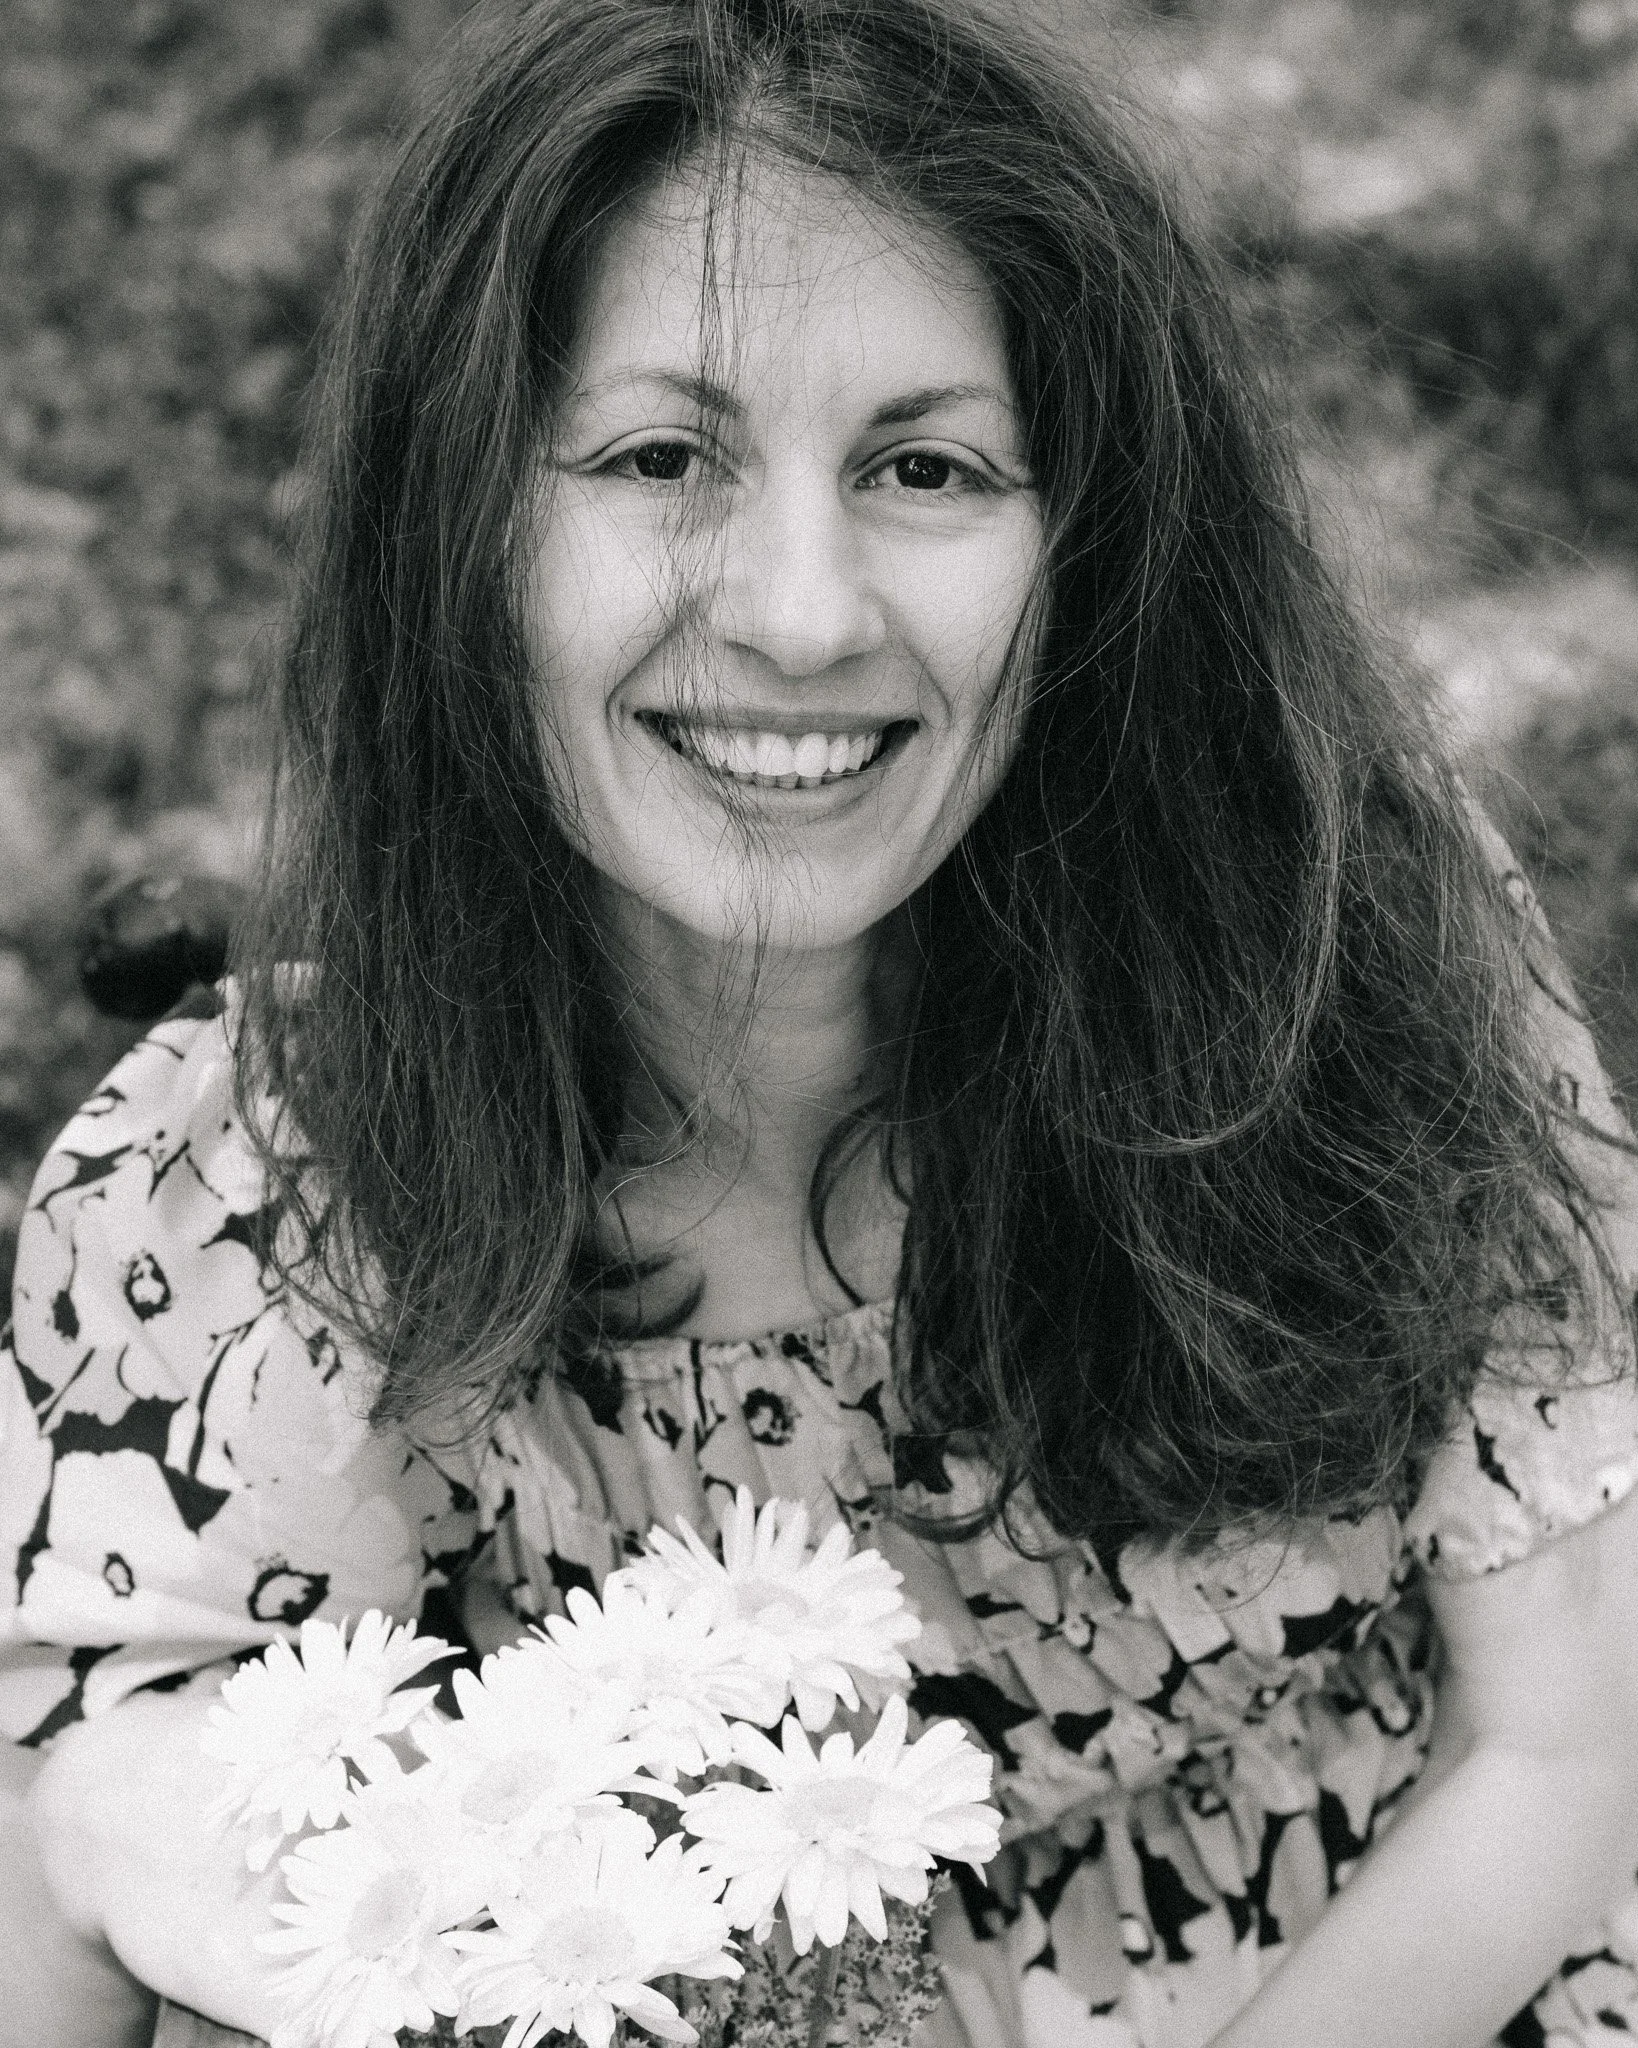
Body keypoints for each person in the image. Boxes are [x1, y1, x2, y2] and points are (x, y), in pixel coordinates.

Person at [5, 0, 1638, 2042]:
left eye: (928, 465)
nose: (801, 609)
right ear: (469, 535)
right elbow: (142, 1876)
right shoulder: (260, 1191)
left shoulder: (1351, 940)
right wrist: (96, 1829)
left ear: (1086, 544)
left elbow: (1565, 1754)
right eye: (662, 455)